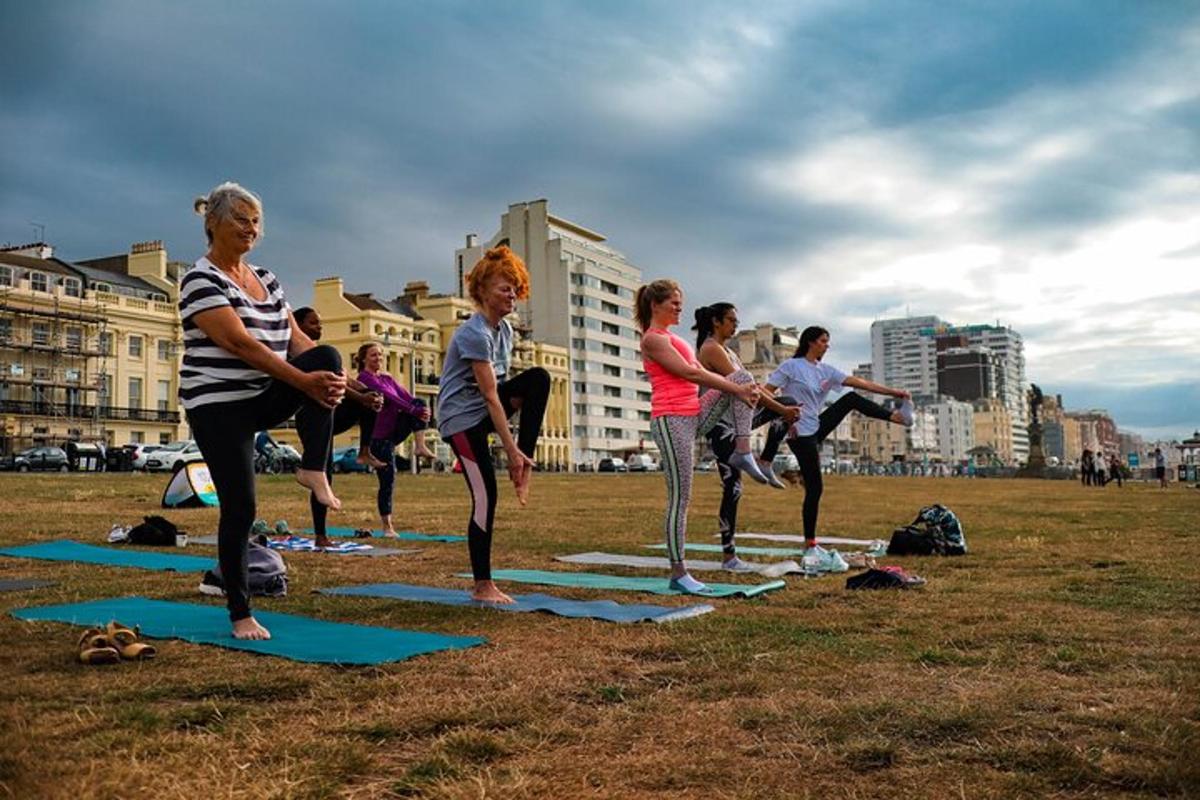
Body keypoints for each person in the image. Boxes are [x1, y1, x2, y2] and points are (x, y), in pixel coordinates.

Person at [182, 182, 346, 640]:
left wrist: (337, 381)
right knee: (240, 506)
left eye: (256, 221)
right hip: (216, 406)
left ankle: (313, 469)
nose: (251, 228)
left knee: (327, 358)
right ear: (213, 222)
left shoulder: (268, 278)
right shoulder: (199, 279)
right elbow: (239, 343)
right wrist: (303, 382)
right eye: (241, 218)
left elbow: (299, 343)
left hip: (259, 395)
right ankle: (240, 612)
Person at [638, 280, 766, 595]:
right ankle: (678, 572)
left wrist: (739, 386)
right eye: (674, 304)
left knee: (743, 376)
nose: (680, 308)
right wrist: (735, 390)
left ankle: (743, 450)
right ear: (656, 305)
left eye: (681, 303)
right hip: (671, 421)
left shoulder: (674, 338)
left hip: (694, 412)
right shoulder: (653, 339)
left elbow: (706, 374)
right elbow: (692, 374)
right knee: (680, 499)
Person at [438, 246, 549, 604]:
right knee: (486, 496)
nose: (513, 295)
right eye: (505, 288)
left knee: (538, 378)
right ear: (483, 291)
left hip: (483, 411)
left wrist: (519, 450)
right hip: (459, 420)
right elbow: (491, 397)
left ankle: (525, 465)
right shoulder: (474, 333)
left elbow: (501, 393)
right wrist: (509, 449)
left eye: (516, 288)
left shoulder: (504, 332)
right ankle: (482, 585)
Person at [764, 326, 913, 569]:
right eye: (823, 341)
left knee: (851, 399)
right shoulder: (791, 367)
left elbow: (860, 383)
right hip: (799, 432)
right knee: (815, 487)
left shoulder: (826, 370)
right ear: (811, 342)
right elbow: (766, 393)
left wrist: (895, 392)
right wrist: (782, 416)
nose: (827, 345)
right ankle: (810, 543)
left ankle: (896, 417)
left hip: (816, 427)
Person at [693, 302, 801, 570]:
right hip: (719, 425)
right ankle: (729, 557)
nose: (735, 324)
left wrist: (784, 410)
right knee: (733, 488)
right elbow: (745, 385)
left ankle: (765, 461)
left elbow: (752, 389)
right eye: (731, 320)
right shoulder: (710, 349)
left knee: (785, 401)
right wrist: (782, 410)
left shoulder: (728, 351)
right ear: (716, 322)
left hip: (736, 420)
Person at [292, 307, 385, 548]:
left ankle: (365, 450)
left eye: (320, 323)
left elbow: (345, 380)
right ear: (298, 325)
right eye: (313, 323)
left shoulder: (320, 353)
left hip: (330, 413)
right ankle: (321, 535)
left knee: (370, 396)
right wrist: (360, 396)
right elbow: (333, 382)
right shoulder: (296, 354)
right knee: (323, 473)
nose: (319, 327)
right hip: (309, 418)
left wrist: (368, 396)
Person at [355, 342, 436, 537]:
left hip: (393, 432)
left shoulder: (387, 378)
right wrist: (413, 410)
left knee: (419, 401)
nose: (379, 359)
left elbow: (406, 398)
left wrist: (422, 411)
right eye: (374, 355)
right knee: (388, 480)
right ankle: (387, 527)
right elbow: (391, 399)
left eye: (381, 355)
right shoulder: (364, 379)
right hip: (378, 438)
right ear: (364, 359)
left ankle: (420, 446)